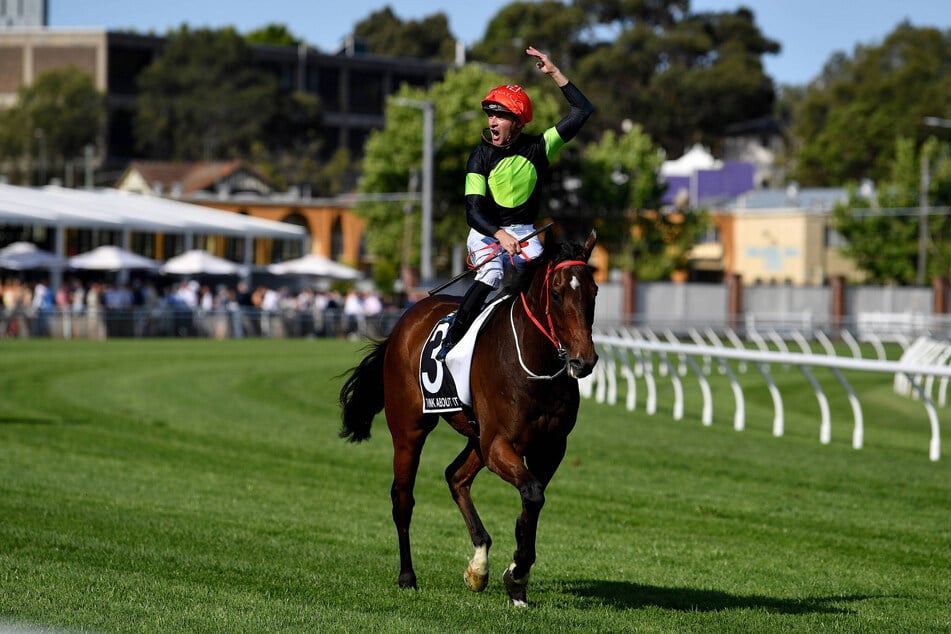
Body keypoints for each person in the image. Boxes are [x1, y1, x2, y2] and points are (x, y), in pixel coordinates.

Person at [436, 45, 595, 361]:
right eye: (491, 114)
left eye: (500, 115)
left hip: (525, 234)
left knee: (552, 280)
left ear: (518, 121)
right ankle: (450, 343)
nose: (492, 121)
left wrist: (554, 73)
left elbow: (582, 111)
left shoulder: (540, 147)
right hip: (486, 234)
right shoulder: (478, 157)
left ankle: (562, 347)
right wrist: (500, 235)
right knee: (492, 274)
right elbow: (473, 211)